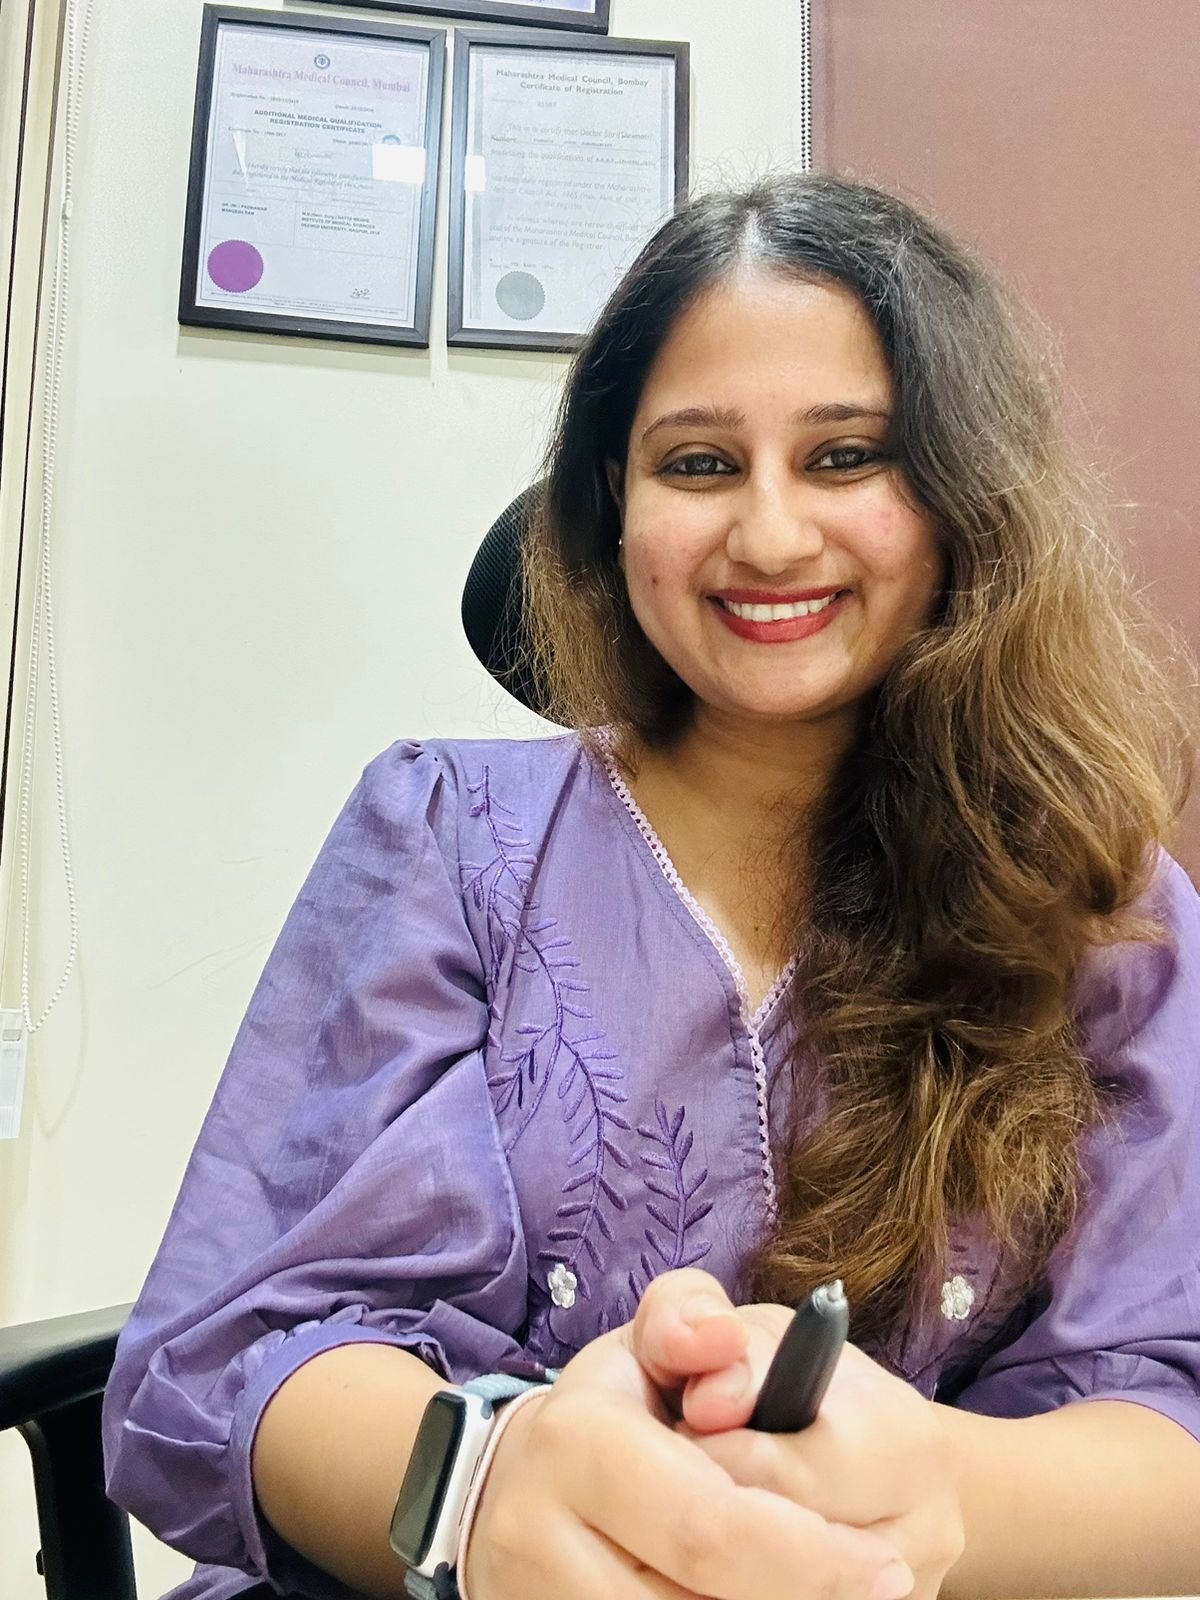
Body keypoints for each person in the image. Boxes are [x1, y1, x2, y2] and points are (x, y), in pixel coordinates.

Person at [104, 173, 1200, 1600]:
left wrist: (935, 1489)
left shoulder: (1105, 912)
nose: (771, 535)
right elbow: (242, 1357)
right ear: (611, 503)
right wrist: (486, 1490)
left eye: (846, 456)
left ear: (962, 495)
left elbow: (1168, 1420)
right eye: (697, 464)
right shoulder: (449, 835)